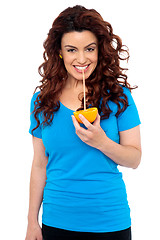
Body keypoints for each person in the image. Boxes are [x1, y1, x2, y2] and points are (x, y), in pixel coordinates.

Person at [25, 5, 141, 240]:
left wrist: (102, 142)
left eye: (89, 49)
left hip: (110, 223)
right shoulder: (41, 101)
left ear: (100, 50)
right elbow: (39, 164)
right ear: (59, 52)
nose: (81, 59)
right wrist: (31, 223)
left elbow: (135, 159)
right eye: (71, 50)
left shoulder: (119, 96)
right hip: (56, 222)